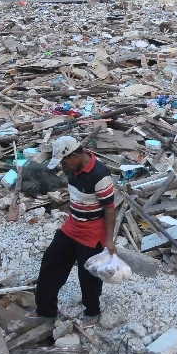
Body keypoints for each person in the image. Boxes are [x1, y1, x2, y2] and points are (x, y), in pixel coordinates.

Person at [30, 136, 117, 326]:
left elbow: (110, 208)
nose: (63, 166)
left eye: (64, 161)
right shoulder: (73, 170)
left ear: (74, 155)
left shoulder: (100, 175)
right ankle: (46, 310)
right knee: (51, 263)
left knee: (89, 275)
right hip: (72, 226)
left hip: (92, 232)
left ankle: (92, 311)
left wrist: (109, 240)